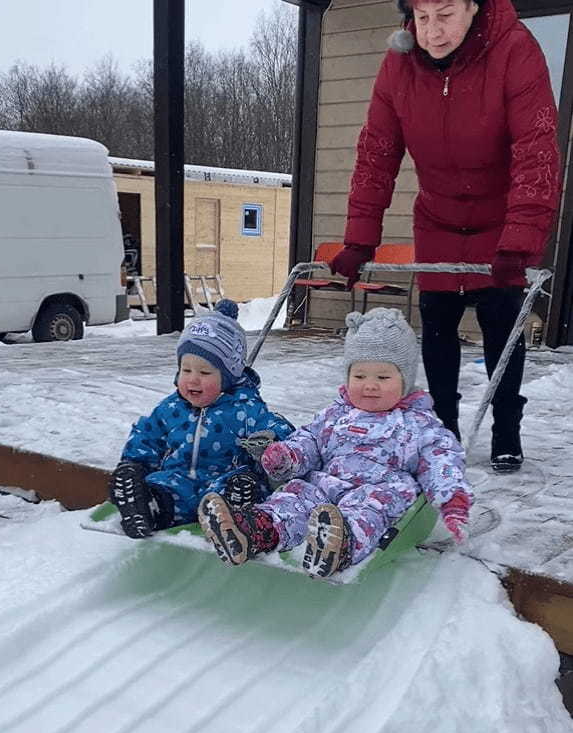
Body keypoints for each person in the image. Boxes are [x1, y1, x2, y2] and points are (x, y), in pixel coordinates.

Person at [330, 0, 561, 473]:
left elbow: (536, 151)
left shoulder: (514, 49)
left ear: (474, 7)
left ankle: (505, 431)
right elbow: (377, 151)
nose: (432, 31)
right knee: (437, 325)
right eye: (422, 16)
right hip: (436, 217)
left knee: (502, 324)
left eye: (447, 13)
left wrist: (519, 239)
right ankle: (443, 426)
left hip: (500, 221)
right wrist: (359, 238)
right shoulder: (399, 64)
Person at [198, 308, 472, 579]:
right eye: (360, 376)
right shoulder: (336, 414)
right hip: (327, 483)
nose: (370, 385)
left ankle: (339, 546)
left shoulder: (419, 423)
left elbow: (442, 460)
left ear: (406, 379)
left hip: (380, 487)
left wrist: (453, 501)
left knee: (371, 509)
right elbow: (310, 440)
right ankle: (255, 530)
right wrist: (288, 455)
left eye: (383, 377)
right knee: (295, 493)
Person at [109, 299, 294, 538]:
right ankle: (147, 506)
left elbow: (277, 427)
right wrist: (135, 464)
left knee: (243, 485)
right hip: (180, 480)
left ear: (228, 377)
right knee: (165, 488)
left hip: (225, 480)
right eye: (186, 370)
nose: (193, 379)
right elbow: (147, 434)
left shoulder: (245, 408)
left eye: (205, 372)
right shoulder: (172, 407)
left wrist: (271, 440)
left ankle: (236, 511)